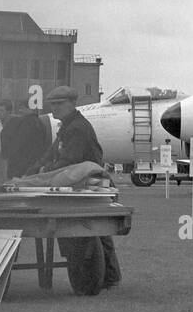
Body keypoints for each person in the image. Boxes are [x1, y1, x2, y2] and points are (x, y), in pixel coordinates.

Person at [25, 87, 121, 290]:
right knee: (100, 232)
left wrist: (41, 173)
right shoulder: (69, 126)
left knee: (94, 231)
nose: (54, 109)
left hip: (91, 186)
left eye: (59, 104)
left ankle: (105, 278)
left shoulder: (77, 128)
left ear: (71, 104)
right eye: (52, 104)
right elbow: (51, 155)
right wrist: (32, 172)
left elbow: (69, 161)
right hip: (88, 186)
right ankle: (110, 278)